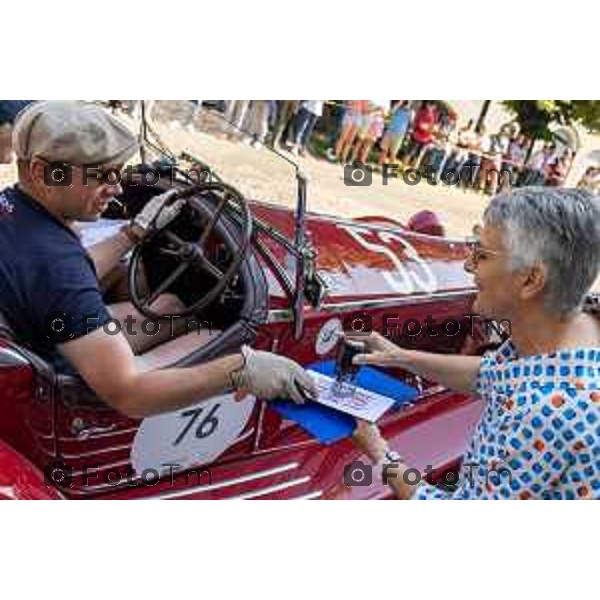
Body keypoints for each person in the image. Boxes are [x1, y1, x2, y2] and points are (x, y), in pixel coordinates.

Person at [0, 101, 317, 418]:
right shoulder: (56, 263)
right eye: (102, 175)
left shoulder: (17, 212)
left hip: (45, 336)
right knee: (210, 336)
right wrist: (241, 369)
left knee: (172, 305)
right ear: (43, 172)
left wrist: (134, 233)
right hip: (73, 376)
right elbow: (129, 393)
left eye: (119, 173)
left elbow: (55, 282)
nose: (117, 188)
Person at [349, 187, 600, 499]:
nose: (468, 266)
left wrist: (378, 451)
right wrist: (401, 357)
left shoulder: (544, 413)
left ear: (530, 280)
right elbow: (495, 375)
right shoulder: (578, 324)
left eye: (481, 255)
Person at [378, 101, 412, 166]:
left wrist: (408, 108)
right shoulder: (397, 107)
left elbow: (411, 122)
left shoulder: (411, 112)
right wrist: (400, 103)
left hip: (399, 134)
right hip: (390, 130)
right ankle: (379, 165)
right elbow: (391, 112)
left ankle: (389, 169)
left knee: (393, 152)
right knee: (384, 150)